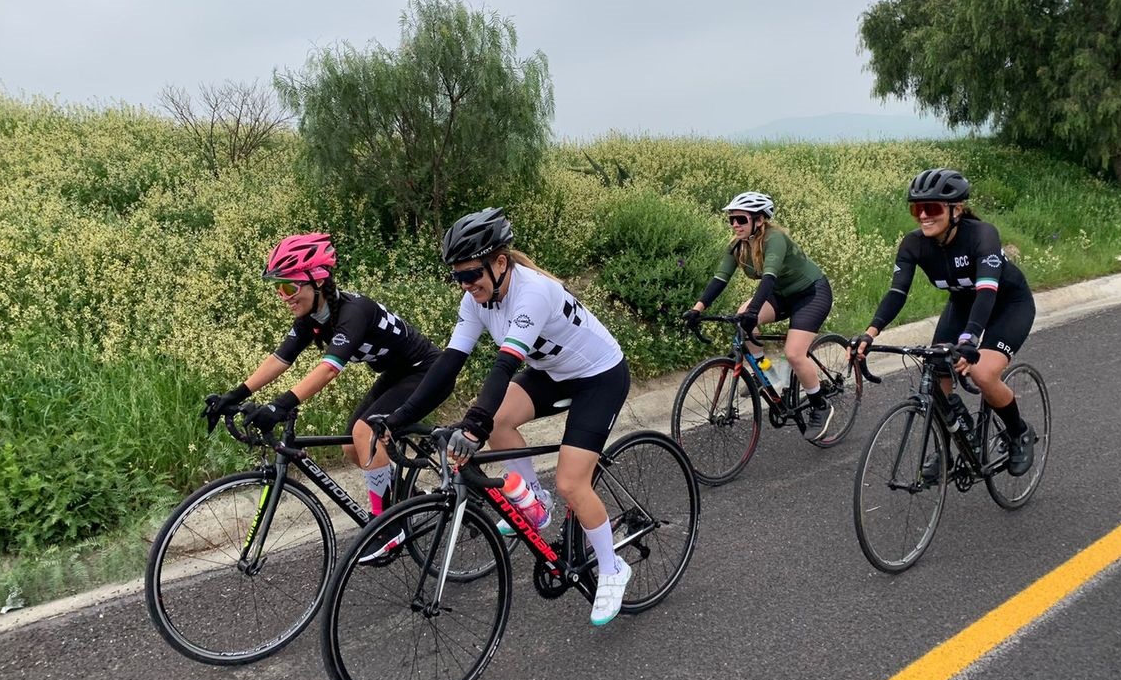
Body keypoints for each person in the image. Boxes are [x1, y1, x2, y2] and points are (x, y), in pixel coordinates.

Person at [379, 208, 634, 626]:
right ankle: (535, 501)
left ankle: (611, 568)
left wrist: (473, 426)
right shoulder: (476, 298)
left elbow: (503, 366)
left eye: (471, 274)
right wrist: (399, 416)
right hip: (554, 373)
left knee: (572, 481)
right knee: (499, 419)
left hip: (598, 376)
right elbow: (449, 362)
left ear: (500, 263)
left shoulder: (531, 293)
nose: (465, 285)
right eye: (457, 277)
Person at [202, 232, 441, 556]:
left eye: (288, 286)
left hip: (427, 371)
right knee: (351, 447)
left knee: (364, 432)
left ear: (316, 281)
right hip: (398, 374)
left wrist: (281, 404)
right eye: (278, 288)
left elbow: (329, 368)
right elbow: (279, 359)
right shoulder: (311, 319)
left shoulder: (354, 311)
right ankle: (401, 503)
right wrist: (235, 394)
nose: (283, 296)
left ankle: (388, 526)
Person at [851, 168, 1037, 476]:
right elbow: (897, 293)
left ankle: (1019, 432)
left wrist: (968, 342)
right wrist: (870, 333)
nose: (923, 215)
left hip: (1007, 305)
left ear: (956, 210)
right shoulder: (913, 244)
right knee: (936, 372)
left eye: (932, 208)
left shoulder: (982, 235)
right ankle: (950, 444)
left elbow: (987, 292)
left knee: (983, 373)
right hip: (962, 305)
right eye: (916, 209)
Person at [682, 191, 836, 441]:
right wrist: (698, 308)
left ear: (760, 220)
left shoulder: (775, 239)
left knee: (794, 353)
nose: (735, 225)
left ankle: (820, 405)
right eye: (731, 220)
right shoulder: (737, 246)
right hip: (780, 294)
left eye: (741, 219)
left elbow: (769, 277)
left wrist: (754, 311)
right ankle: (770, 374)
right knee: (744, 322)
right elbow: (720, 279)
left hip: (811, 293)